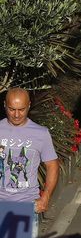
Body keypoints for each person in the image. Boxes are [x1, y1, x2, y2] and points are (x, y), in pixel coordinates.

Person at [0, 88, 59, 222]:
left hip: (26, 205)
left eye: (21, 109)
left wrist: (46, 197)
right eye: (11, 109)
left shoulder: (41, 133)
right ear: (4, 105)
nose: (16, 115)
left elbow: (52, 165)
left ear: (29, 105)